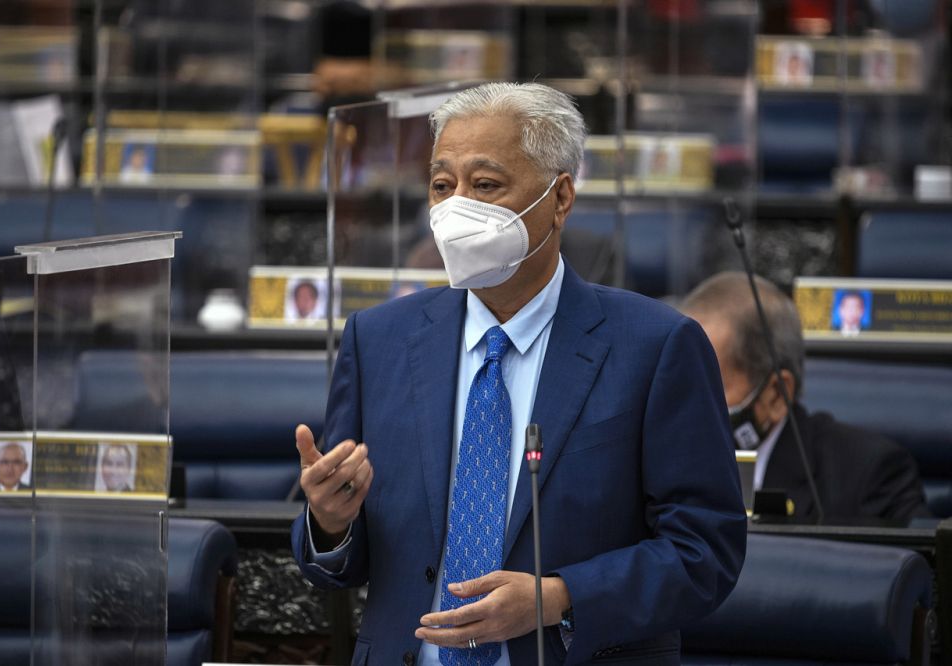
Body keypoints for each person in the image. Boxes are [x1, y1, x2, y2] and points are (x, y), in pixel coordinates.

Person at [292, 82, 746, 664]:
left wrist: (558, 597)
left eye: (485, 185)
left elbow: (706, 551)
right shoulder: (379, 340)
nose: (457, 208)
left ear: (559, 199)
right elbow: (339, 560)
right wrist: (330, 522)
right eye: (441, 185)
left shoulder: (657, 346)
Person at [681, 272, 928, 523]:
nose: (684, 405)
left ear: (777, 395)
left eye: (707, 388)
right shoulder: (656, 461)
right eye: (678, 386)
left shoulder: (869, 477)